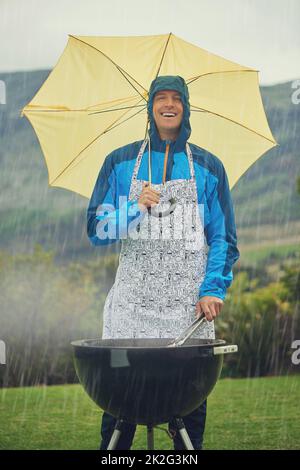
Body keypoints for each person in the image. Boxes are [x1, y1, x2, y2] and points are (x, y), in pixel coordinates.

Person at [87, 75, 240, 450]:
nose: (168, 105)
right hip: (130, 307)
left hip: (188, 311)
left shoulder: (208, 166)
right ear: (151, 106)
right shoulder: (120, 162)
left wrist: (212, 289)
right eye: (161, 98)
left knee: (189, 404)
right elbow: (97, 229)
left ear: (186, 107)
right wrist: (134, 208)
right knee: (120, 403)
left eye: (176, 98)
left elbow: (223, 238)